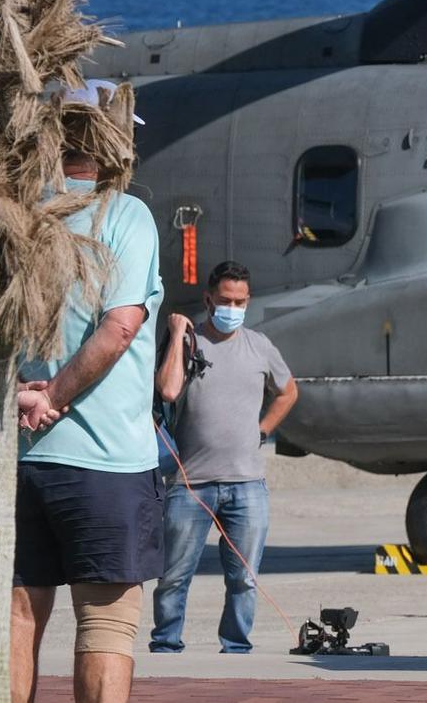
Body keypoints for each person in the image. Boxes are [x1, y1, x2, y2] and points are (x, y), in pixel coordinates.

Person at [11, 82, 163, 703]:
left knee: (19, 615)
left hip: (20, 459)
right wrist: (58, 396)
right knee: (106, 621)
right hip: (105, 460)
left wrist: (27, 397)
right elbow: (120, 326)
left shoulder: (19, 211)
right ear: (112, 140)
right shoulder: (126, 215)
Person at [151, 260, 299, 653]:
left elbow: (287, 392)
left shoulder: (259, 346)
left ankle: (235, 645)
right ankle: (166, 642)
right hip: (190, 484)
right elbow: (166, 390)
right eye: (225, 300)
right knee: (174, 574)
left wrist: (263, 429)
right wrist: (179, 331)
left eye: (241, 302)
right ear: (208, 299)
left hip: (247, 483)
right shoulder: (188, 343)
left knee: (244, 577)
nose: (232, 308)